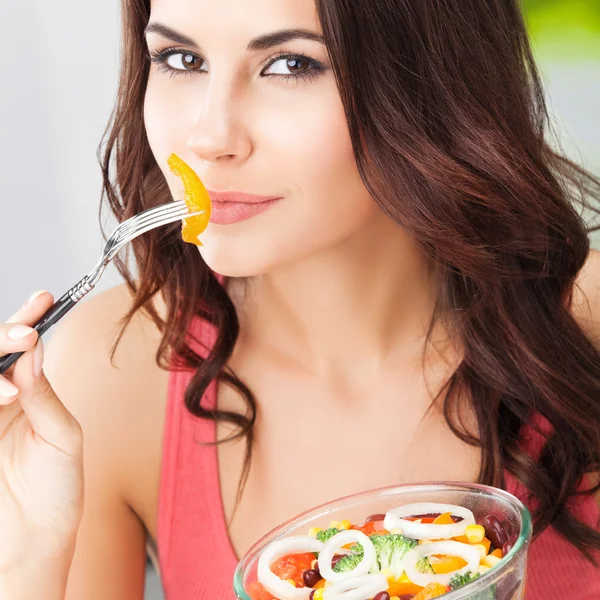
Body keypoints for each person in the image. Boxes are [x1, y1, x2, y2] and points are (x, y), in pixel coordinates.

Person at [1, 0, 599, 598]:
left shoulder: (588, 328)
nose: (209, 138)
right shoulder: (108, 373)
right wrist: (26, 553)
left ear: (433, 78)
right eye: (181, 59)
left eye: (289, 65)